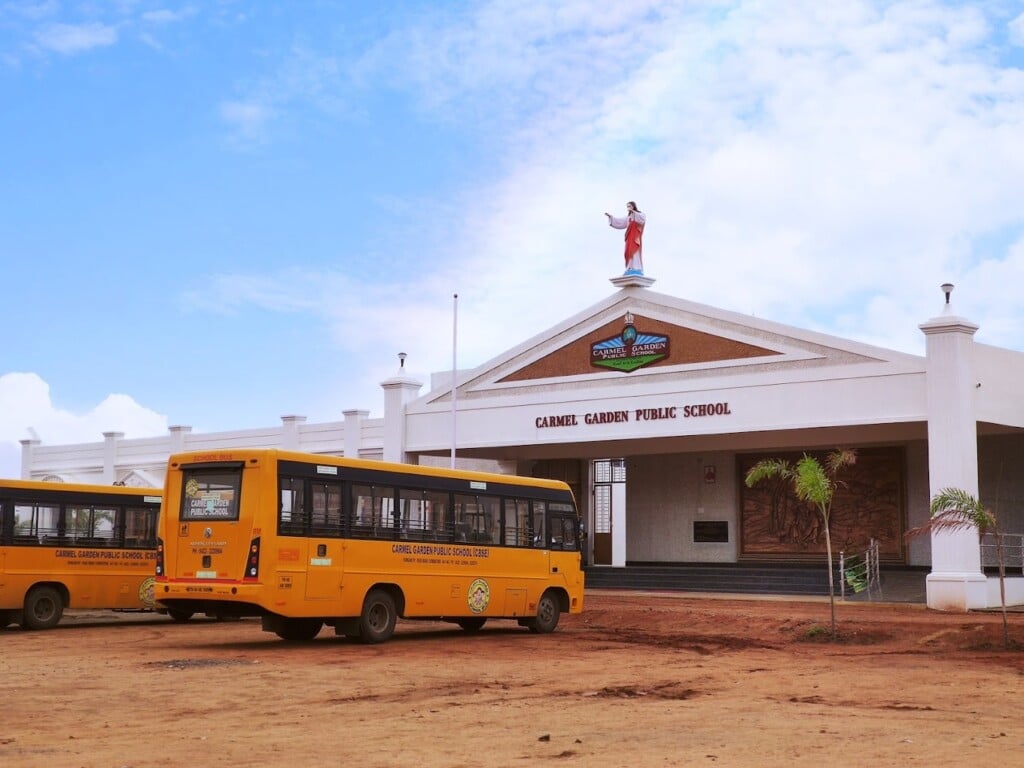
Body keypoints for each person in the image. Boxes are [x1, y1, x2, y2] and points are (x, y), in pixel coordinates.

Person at [605, 201, 646, 275]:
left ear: (633, 206)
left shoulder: (639, 214)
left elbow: (642, 220)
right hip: (629, 237)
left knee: (635, 252)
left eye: (629, 206)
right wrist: (611, 217)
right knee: (628, 252)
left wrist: (633, 212)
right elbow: (620, 222)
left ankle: (637, 268)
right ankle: (629, 267)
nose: (628, 208)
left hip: (635, 238)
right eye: (627, 207)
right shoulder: (628, 218)